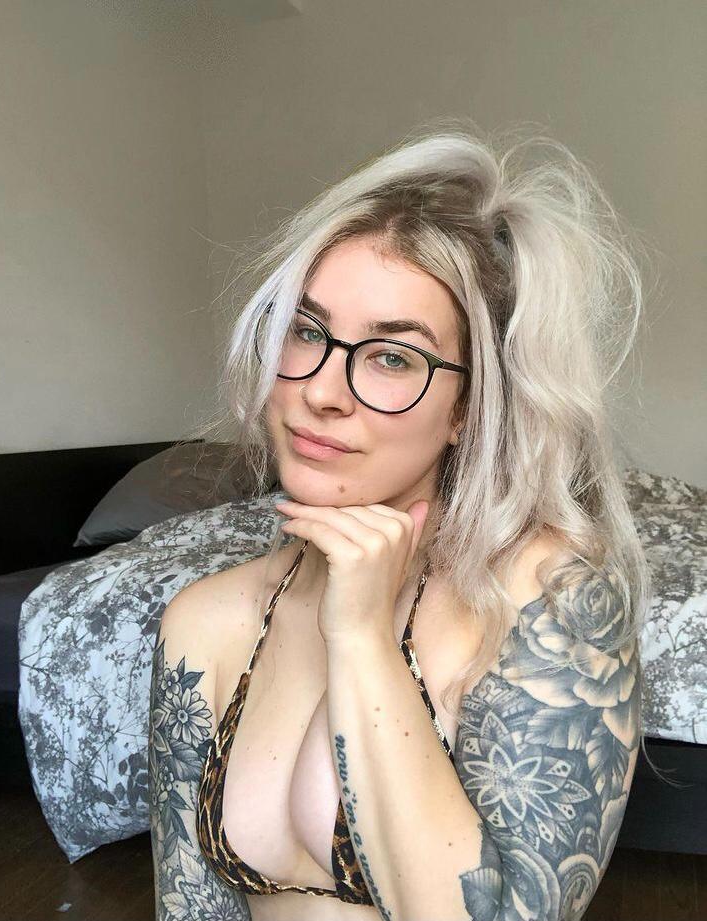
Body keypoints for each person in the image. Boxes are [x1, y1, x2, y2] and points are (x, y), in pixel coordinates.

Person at [148, 120, 651, 921]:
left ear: (468, 407)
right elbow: (191, 909)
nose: (321, 390)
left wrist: (362, 637)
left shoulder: (549, 602)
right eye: (307, 330)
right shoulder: (204, 622)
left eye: (392, 356)